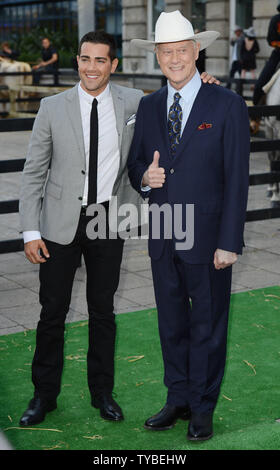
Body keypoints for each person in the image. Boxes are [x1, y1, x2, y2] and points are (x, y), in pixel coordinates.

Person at [18, 29, 218, 428]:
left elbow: (178, 90)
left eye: (100, 60)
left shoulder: (134, 102)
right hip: (58, 223)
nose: (92, 67)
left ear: (114, 65)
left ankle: (102, 394)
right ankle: (43, 396)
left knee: (103, 311)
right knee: (51, 312)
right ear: (77, 61)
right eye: (85, 59)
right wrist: (30, 230)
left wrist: (206, 84)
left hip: (108, 219)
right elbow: (32, 172)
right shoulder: (51, 107)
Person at [128, 10, 250, 441]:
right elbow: (135, 164)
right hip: (163, 235)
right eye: (166, 52)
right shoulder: (147, 106)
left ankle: (202, 407)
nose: (175, 59)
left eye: (183, 50)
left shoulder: (228, 103)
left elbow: (238, 178)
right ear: (157, 56)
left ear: (197, 52)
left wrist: (229, 241)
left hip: (211, 242)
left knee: (209, 327)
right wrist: (145, 177)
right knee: (171, 324)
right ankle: (177, 398)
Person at [251, 1, 280, 134]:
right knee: (260, 85)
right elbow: (270, 39)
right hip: (278, 54)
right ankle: (255, 117)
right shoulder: (276, 19)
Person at [226, 25, 244, 90]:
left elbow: (240, 43)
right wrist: (232, 40)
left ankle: (240, 88)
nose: (236, 33)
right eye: (235, 32)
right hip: (235, 59)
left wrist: (235, 39)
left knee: (240, 75)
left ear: (240, 32)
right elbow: (232, 43)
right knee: (231, 74)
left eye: (237, 32)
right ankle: (228, 87)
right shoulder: (237, 38)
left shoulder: (242, 38)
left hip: (239, 60)